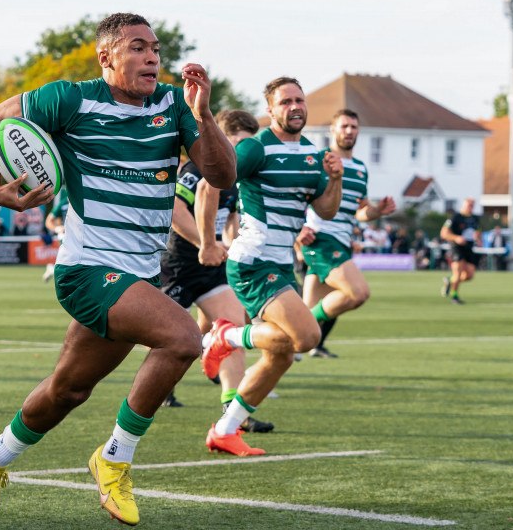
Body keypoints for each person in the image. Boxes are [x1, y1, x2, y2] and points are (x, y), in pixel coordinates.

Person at [0, 13, 235, 526]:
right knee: (183, 338)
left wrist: (202, 116)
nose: (152, 57)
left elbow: (221, 174)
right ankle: (114, 458)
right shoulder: (69, 98)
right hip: (87, 270)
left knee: (67, 390)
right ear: (106, 56)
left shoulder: (175, 106)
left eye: (156, 48)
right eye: (138, 47)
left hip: (138, 277)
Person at [199, 76, 343, 456]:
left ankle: (225, 430)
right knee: (307, 338)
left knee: (281, 355)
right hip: (253, 260)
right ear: (271, 110)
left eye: (299, 100)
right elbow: (212, 184)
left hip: (283, 265)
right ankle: (225, 337)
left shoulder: (313, 154)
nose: (295, 107)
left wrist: (336, 179)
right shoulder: (255, 147)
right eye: (286, 102)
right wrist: (209, 241)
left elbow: (325, 210)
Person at [159, 109, 273, 431]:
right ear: (222, 137)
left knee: (232, 326)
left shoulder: (235, 174)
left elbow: (231, 218)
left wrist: (231, 243)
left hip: (212, 265)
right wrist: (204, 243)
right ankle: (162, 384)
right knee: (172, 338)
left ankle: (233, 413)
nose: (244, 151)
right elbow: (174, 211)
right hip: (178, 264)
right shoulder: (197, 168)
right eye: (239, 142)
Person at [296, 109, 396, 358]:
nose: (349, 131)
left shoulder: (361, 169)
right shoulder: (319, 160)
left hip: (341, 240)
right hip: (320, 239)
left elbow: (360, 211)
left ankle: (265, 353)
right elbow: (296, 198)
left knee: (302, 330)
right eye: (344, 126)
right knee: (358, 293)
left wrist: (377, 211)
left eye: (354, 127)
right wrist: (299, 228)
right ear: (332, 130)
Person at [440, 198, 481, 304]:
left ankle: (450, 280)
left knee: (469, 276)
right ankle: (454, 296)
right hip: (457, 247)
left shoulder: (475, 218)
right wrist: (456, 238)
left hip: (469, 247)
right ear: (463, 205)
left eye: (472, 205)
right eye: (469, 205)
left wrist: (478, 238)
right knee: (458, 272)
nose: (470, 207)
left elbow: (477, 231)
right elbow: (444, 233)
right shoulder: (455, 218)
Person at [41, 188, 68, 282]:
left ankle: (52, 268)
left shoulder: (82, 202)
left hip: (80, 235)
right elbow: (48, 221)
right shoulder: (63, 204)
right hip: (66, 236)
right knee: (67, 261)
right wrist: (58, 228)